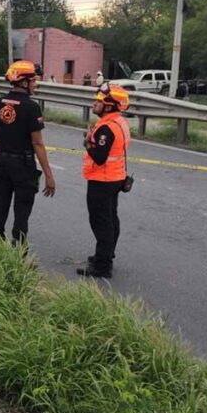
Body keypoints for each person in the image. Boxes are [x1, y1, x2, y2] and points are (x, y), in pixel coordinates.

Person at [0, 60, 57, 246]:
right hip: (24, 165)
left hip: (4, 163)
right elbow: (37, 143)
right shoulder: (32, 107)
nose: (36, 84)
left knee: (0, 204)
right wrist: (49, 175)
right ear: (23, 82)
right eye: (33, 81)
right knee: (22, 209)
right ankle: (18, 250)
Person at [77, 83, 131, 279]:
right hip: (116, 177)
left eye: (98, 101)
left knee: (101, 222)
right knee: (110, 218)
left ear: (108, 106)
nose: (94, 103)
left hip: (103, 179)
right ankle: (106, 254)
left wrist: (87, 143)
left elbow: (99, 157)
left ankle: (102, 266)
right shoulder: (119, 121)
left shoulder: (106, 128)